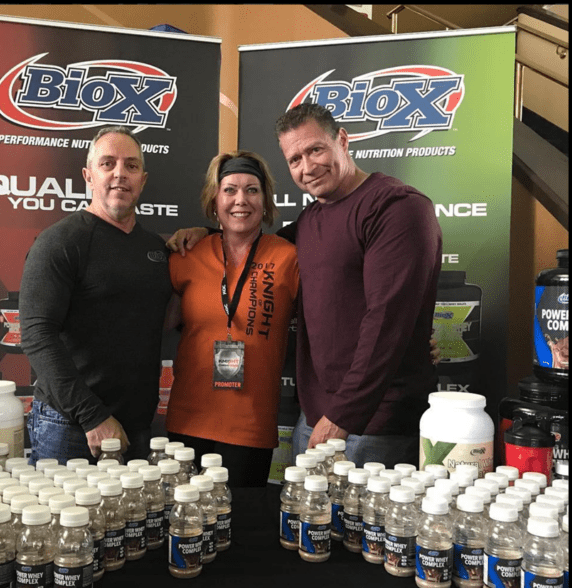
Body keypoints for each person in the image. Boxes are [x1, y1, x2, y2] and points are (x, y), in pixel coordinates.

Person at [170, 103, 442, 468]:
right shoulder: (310, 220)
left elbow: (388, 320)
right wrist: (204, 235)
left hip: (374, 424)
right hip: (314, 419)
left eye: (315, 150)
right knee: (305, 523)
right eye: (295, 158)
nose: (307, 167)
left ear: (342, 140)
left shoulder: (395, 207)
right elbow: (248, 244)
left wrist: (344, 415)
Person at [19, 126, 173, 465]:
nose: (120, 173)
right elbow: (35, 334)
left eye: (131, 166)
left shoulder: (156, 249)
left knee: (125, 519)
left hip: (136, 427)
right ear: (89, 176)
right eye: (108, 164)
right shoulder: (60, 241)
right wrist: (93, 416)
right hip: (72, 426)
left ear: (143, 180)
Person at [164, 151, 298, 487]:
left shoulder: (288, 257)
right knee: (189, 527)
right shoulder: (186, 253)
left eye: (252, 190)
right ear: (214, 198)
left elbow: (333, 315)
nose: (241, 200)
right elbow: (149, 319)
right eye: (230, 190)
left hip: (250, 427)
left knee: (240, 531)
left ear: (266, 200)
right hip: (188, 420)